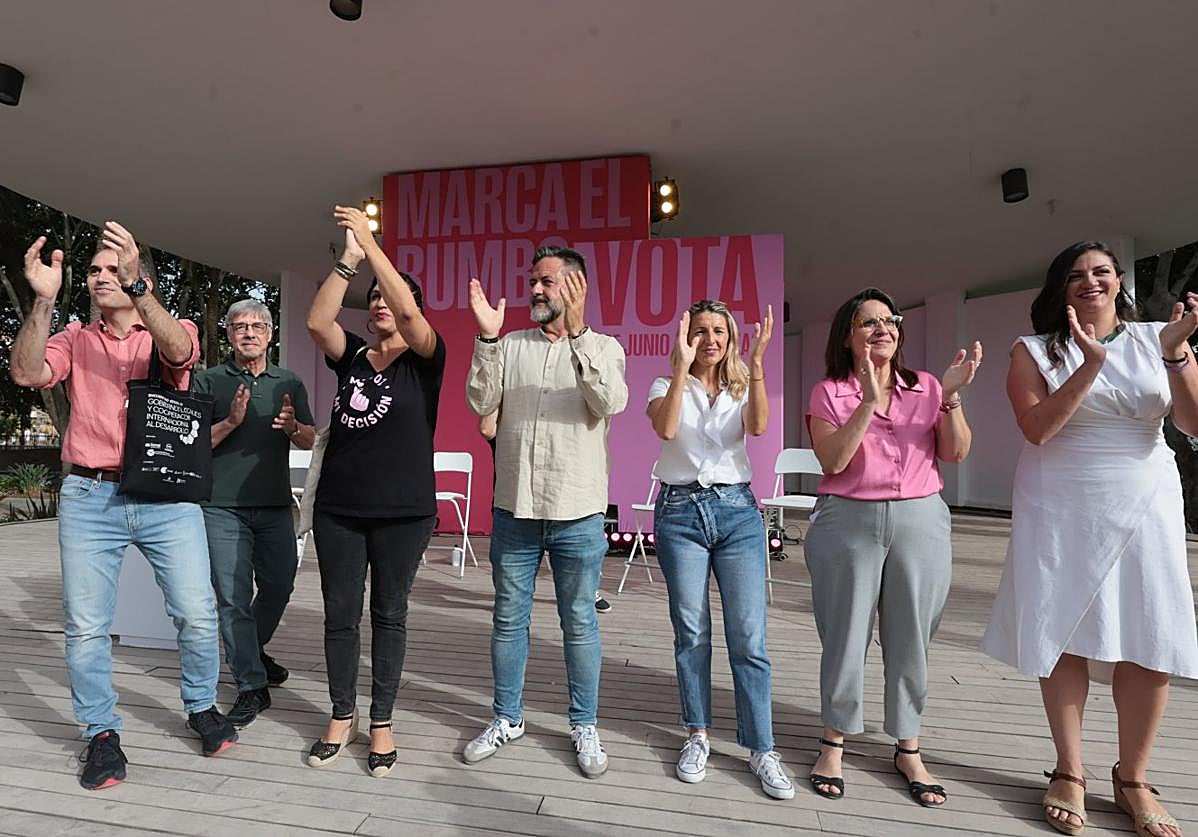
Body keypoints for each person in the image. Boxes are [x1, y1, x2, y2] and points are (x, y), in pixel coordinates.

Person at [981, 242, 1197, 837]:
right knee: (1064, 626)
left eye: (1102, 272)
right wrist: (1090, 365)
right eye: (1076, 275)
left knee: (1150, 629)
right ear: (1060, 288)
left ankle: (1133, 778)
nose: (1091, 282)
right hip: (1059, 498)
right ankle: (1070, 770)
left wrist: (1177, 354)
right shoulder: (1031, 351)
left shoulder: (1161, 336)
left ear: (1118, 281)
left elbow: (1193, 422)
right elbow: (1039, 430)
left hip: (1146, 496)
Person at [10, 224, 236, 790]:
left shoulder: (168, 326)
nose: (102, 277)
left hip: (164, 494)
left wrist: (139, 288)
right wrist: (42, 299)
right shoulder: (73, 338)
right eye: (95, 271)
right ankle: (100, 734)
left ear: (139, 278)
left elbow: (181, 352)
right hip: (90, 495)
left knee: (196, 611)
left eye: (115, 269)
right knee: (86, 627)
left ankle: (201, 706)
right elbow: (26, 371)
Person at [804, 287, 980, 806]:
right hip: (848, 520)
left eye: (890, 320)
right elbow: (833, 461)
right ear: (847, 335)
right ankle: (834, 740)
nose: (883, 328)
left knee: (912, 638)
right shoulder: (828, 391)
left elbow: (957, 451)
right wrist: (868, 402)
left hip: (920, 518)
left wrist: (949, 397)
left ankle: (908, 747)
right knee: (845, 635)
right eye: (868, 322)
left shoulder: (926, 385)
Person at [464, 245, 628, 777]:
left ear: (576, 287)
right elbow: (478, 401)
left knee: (579, 622)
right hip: (514, 508)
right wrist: (487, 338)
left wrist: (579, 336)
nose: (535, 290)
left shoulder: (605, 346)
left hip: (577, 512)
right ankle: (508, 718)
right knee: (508, 621)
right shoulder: (510, 345)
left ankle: (584, 723)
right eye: (533, 281)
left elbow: (608, 402)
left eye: (546, 282)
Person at [304, 206, 446, 778]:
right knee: (340, 614)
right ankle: (343, 714)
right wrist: (350, 260)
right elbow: (318, 323)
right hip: (339, 508)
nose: (383, 303)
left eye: (391, 296)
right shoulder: (353, 359)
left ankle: (382, 720)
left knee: (390, 613)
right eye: (377, 298)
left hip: (404, 513)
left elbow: (410, 310)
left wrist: (373, 243)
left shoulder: (426, 360)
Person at [647, 299, 795, 799]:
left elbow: (756, 428)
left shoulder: (741, 385)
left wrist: (755, 367)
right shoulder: (666, 385)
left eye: (719, 332)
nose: (710, 340)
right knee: (692, 632)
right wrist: (680, 368)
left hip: (736, 513)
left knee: (748, 636)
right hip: (680, 511)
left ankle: (761, 746)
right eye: (701, 331)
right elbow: (665, 430)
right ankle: (697, 733)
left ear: (731, 339)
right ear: (687, 336)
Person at [194, 300, 316, 728]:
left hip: (275, 505)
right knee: (232, 599)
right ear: (228, 334)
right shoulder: (207, 381)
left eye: (257, 326)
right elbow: (193, 446)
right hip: (220, 508)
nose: (248, 332)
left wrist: (292, 427)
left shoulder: (289, 380)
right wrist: (230, 421)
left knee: (280, 585)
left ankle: (252, 651)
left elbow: (309, 439)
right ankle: (250, 684)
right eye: (239, 326)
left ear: (270, 333)